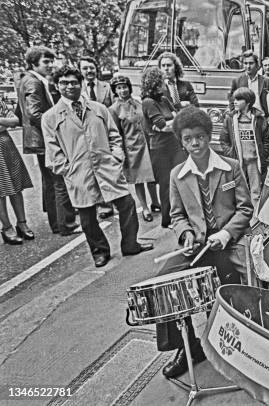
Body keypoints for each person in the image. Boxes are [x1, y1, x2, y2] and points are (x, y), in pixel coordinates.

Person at [156, 106, 253, 378]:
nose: (195, 143)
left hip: (228, 244)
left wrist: (225, 234)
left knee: (228, 282)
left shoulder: (230, 167)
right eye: (188, 139)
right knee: (166, 281)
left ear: (209, 136)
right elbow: (177, 216)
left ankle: (242, 345)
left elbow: (246, 209)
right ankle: (187, 347)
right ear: (182, 141)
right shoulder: (177, 174)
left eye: (199, 136)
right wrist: (185, 235)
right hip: (197, 246)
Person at [42, 66, 153, 267]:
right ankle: (99, 251)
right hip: (78, 172)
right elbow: (52, 150)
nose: (69, 86)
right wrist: (67, 169)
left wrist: (117, 156)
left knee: (127, 204)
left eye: (74, 82)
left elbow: (114, 135)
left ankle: (130, 245)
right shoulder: (50, 117)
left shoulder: (99, 109)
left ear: (81, 83)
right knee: (87, 217)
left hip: (107, 166)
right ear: (57, 87)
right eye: (64, 83)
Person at [19, 46, 79, 236]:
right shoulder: (33, 82)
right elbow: (34, 112)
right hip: (44, 140)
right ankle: (65, 224)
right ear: (33, 63)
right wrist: (56, 127)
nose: (51, 65)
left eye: (51, 61)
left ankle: (57, 221)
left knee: (51, 182)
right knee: (58, 181)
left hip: (38, 141)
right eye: (46, 61)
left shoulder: (28, 80)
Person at [141, 67, 187, 228]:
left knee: (182, 178)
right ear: (154, 84)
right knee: (167, 184)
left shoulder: (164, 100)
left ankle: (181, 214)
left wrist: (168, 124)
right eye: (161, 82)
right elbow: (163, 125)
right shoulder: (148, 102)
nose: (164, 85)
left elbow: (177, 118)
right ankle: (167, 219)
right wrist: (168, 124)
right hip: (160, 149)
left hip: (174, 145)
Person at [108, 76, 156, 222]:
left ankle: (155, 202)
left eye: (125, 87)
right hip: (132, 149)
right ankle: (145, 208)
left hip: (148, 144)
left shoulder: (139, 103)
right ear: (115, 91)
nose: (123, 90)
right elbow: (116, 133)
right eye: (119, 88)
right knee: (139, 179)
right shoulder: (114, 109)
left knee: (152, 177)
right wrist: (120, 153)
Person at [219, 87, 269, 209]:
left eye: (239, 99)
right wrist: (231, 155)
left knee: (256, 191)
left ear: (248, 102)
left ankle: (255, 218)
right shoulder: (230, 119)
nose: (234, 102)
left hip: (254, 162)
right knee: (239, 190)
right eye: (234, 99)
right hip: (238, 162)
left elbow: (266, 141)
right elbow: (223, 140)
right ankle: (242, 216)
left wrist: (264, 156)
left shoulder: (259, 119)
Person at [79, 56, 115, 219]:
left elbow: (113, 109)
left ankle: (110, 201)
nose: (89, 71)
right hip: (85, 135)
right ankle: (99, 203)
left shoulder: (106, 86)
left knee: (107, 167)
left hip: (104, 132)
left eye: (91, 68)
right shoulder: (77, 88)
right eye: (85, 68)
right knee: (90, 168)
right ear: (81, 71)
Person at [0, 107, 33, 244]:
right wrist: (4, 124)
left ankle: (22, 223)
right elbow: (10, 122)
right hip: (4, 140)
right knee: (1, 190)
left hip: (6, 146)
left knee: (16, 185)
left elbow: (15, 120)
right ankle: (7, 227)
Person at [228, 50, 269, 117]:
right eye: (245, 63)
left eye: (251, 63)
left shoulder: (268, 82)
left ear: (257, 65)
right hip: (243, 119)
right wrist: (235, 117)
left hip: (262, 118)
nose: (248, 66)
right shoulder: (237, 81)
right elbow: (232, 102)